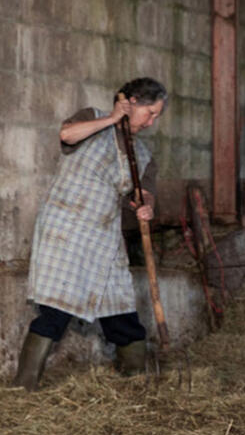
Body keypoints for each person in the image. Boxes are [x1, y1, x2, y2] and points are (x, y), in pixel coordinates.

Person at [15, 77, 168, 390]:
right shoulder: (92, 116)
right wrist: (112, 119)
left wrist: (146, 205)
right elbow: (66, 134)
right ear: (132, 102)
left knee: (120, 308)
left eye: (157, 117)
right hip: (66, 229)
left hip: (105, 236)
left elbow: (144, 192)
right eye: (150, 113)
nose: (152, 122)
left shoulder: (142, 153)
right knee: (56, 308)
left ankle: (134, 380)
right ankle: (24, 386)